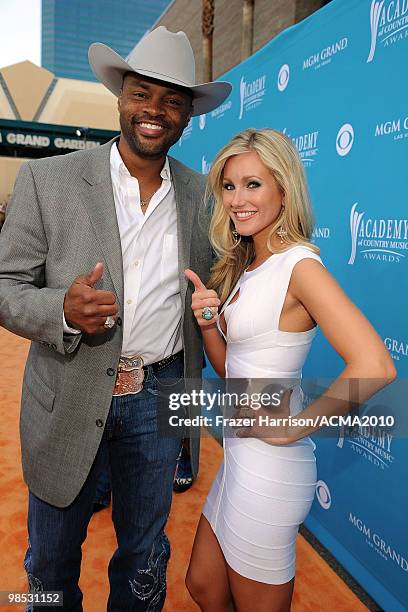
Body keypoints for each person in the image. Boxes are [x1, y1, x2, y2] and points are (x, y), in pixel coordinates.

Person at [0, 26, 231, 611]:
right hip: (68, 395)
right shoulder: (47, 182)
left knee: (144, 554)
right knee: (52, 559)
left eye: (172, 100)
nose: (155, 111)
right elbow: (5, 286)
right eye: (142, 94)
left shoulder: (205, 197)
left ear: (187, 116)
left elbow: (222, 287)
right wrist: (62, 310)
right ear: (120, 97)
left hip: (158, 398)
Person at [183, 128, 396, 611]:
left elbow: (376, 364)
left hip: (270, 475)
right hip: (239, 460)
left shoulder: (300, 266)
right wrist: (211, 324)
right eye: (230, 185)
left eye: (253, 184)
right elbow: (234, 375)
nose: (237, 199)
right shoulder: (249, 263)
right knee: (203, 585)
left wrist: (292, 427)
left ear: (284, 188)